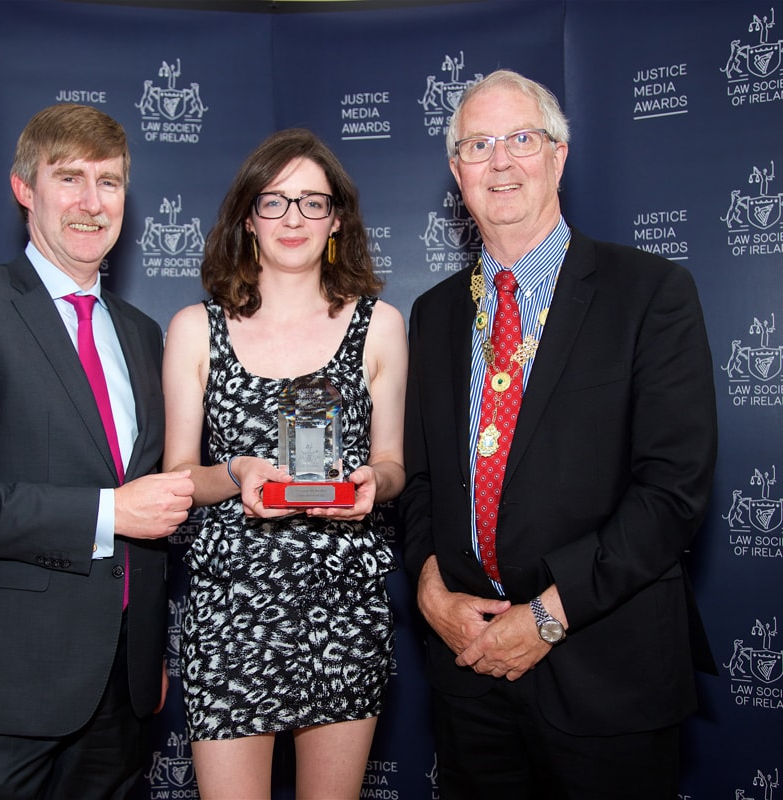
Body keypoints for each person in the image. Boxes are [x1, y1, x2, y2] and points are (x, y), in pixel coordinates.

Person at [400, 70, 717, 799]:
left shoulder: (651, 295)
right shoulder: (436, 313)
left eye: (521, 139)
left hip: (607, 674)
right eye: (478, 145)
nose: (501, 161)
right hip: (469, 671)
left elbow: (672, 492)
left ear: (559, 156)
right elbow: (419, 484)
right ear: (457, 172)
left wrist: (546, 615)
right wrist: (428, 590)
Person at [0, 103, 194, 799]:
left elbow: (152, 499)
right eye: (70, 179)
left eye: (111, 182)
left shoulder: (142, 332)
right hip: (2, 689)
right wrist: (108, 512)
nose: (92, 204)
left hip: (121, 692)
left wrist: (144, 647)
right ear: (24, 189)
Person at [162, 128, 408, 799]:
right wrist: (238, 472)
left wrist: (371, 485)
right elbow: (181, 474)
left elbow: (392, 465)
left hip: (342, 600)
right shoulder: (195, 328)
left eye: (312, 202)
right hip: (230, 606)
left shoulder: (379, 325)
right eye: (274, 202)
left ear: (337, 219)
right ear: (247, 216)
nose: (293, 219)